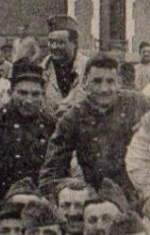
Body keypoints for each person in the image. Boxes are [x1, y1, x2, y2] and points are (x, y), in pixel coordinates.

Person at [46, 53, 148, 206]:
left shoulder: (138, 103)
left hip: (140, 197)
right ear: (84, 83)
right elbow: (51, 171)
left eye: (110, 81)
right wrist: (64, 191)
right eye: (97, 81)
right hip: (97, 201)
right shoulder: (72, 117)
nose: (104, 89)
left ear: (119, 82)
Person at [0, 62, 54, 209]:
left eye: (35, 94)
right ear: (10, 93)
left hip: (39, 202)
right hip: (0, 202)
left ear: (43, 95)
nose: (29, 100)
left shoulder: (50, 124)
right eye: (22, 93)